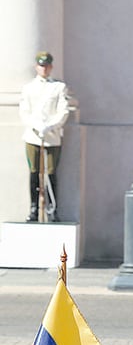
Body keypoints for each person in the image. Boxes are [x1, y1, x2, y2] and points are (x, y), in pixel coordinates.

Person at [20, 51, 69, 223]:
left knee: (51, 172)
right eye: (41, 66)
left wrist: (51, 126)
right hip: (33, 136)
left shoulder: (58, 87)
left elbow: (63, 111)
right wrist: (36, 126)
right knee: (34, 172)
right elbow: (25, 112)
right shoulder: (28, 88)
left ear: (51, 67)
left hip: (52, 136)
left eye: (47, 66)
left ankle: (52, 209)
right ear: (36, 67)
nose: (44, 69)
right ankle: (33, 208)